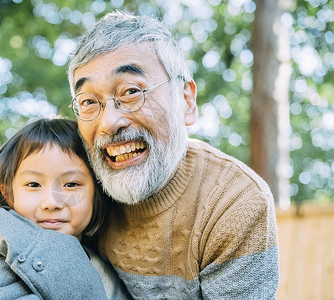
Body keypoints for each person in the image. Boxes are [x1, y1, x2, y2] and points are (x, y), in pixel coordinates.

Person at [67, 11, 279, 299]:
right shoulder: (73, 182)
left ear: (186, 101)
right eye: (89, 102)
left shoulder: (234, 203)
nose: (109, 122)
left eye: (131, 91)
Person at [0, 118, 130, 299]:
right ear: (9, 195)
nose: (52, 202)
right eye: (33, 185)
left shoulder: (110, 266)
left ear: (97, 193)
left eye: (71, 184)